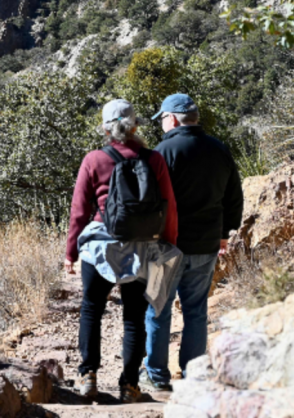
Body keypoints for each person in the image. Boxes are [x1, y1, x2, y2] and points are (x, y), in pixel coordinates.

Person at [65, 99, 179, 404]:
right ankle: (129, 385)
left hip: (101, 245)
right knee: (134, 316)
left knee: (91, 307)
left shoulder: (94, 159)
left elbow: (79, 209)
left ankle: (87, 374)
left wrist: (71, 252)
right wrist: (167, 244)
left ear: (105, 128)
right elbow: (168, 206)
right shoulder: (153, 159)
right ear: (136, 125)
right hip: (142, 247)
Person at [141, 93, 244, 391]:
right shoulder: (219, 149)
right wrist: (225, 232)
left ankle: (156, 377)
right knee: (196, 311)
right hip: (207, 243)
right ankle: (193, 376)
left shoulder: (163, 152)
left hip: (167, 247)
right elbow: (233, 196)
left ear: (172, 119)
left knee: (158, 310)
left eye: (161, 118)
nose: (161, 123)